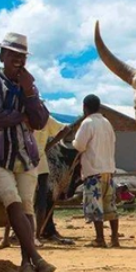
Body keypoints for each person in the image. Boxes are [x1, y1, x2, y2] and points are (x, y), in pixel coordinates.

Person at [0, 32, 56, 272]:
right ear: (2, 55)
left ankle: (26, 263)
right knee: (11, 199)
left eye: (22, 55)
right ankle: (36, 257)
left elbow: (41, 121)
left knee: (27, 206)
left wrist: (29, 92)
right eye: (13, 54)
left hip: (25, 157)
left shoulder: (29, 86)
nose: (18, 59)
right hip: (0, 157)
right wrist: (19, 117)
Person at [72, 94, 119, 247]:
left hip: (93, 171)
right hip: (108, 170)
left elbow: (79, 145)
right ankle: (114, 238)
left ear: (85, 108)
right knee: (110, 205)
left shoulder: (87, 123)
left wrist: (73, 142)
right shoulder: (107, 123)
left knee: (95, 206)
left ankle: (100, 239)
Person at [33, 115, 74, 244]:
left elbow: (66, 129)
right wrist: (48, 146)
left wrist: (48, 146)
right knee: (41, 201)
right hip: (42, 164)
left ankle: (33, 234)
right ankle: (38, 235)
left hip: (25, 165)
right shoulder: (45, 118)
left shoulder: (20, 116)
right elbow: (66, 129)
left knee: (27, 201)